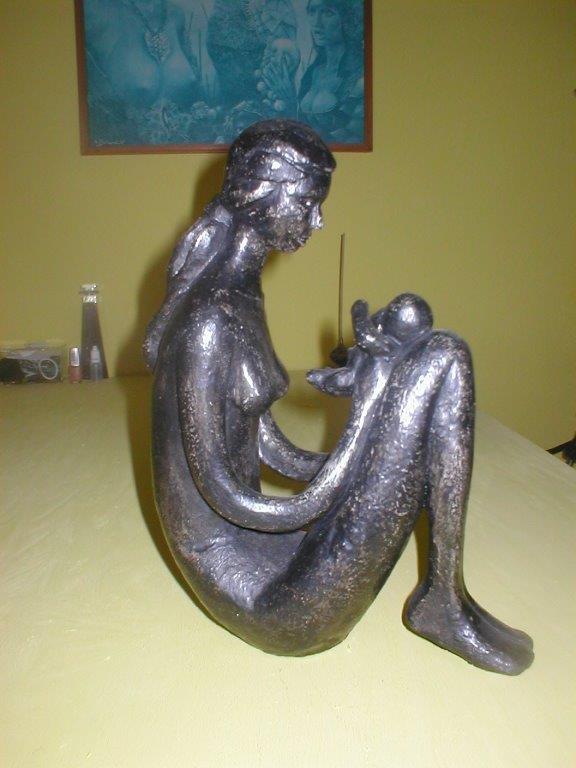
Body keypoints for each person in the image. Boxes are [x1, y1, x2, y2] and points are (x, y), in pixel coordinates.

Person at [144, 119, 533, 673]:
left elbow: (269, 448)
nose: (318, 220)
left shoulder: (239, 293)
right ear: (260, 196)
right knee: (441, 356)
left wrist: (361, 436)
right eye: (307, 203)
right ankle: (442, 601)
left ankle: (445, 597)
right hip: (264, 599)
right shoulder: (207, 320)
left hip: (272, 555)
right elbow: (231, 500)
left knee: (432, 358)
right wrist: (365, 423)